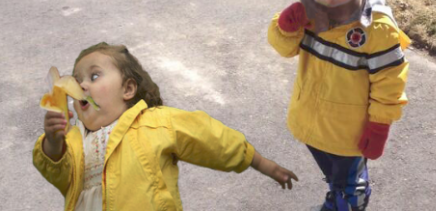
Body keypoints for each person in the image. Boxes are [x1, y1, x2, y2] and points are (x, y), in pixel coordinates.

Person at [33, 42, 297, 211]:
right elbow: (62, 175)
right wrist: (53, 143)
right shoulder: (75, 140)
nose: (82, 86)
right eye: (77, 81)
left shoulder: (155, 122)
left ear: (127, 89)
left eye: (94, 75)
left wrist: (262, 163)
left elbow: (209, 137)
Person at [268, 0, 410, 211]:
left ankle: (350, 197)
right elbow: (284, 48)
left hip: (350, 133)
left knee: (345, 186)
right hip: (311, 120)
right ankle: (342, 185)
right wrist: (284, 27)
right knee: (332, 172)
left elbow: (389, 83)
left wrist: (380, 126)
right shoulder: (309, 11)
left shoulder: (376, 28)